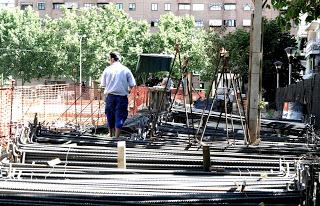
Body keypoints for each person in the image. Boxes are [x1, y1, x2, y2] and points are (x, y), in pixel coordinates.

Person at [100, 51, 136, 138]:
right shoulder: (126, 70)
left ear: (112, 59)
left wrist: (104, 96)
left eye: (109, 59)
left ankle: (111, 134)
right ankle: (116, 136)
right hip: (122, 97)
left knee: (110, 115)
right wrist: (128, 90)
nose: (109, 61)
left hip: (110, 96)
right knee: (120, 116)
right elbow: (132, 84)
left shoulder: (107, 69)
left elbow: (103, 85)